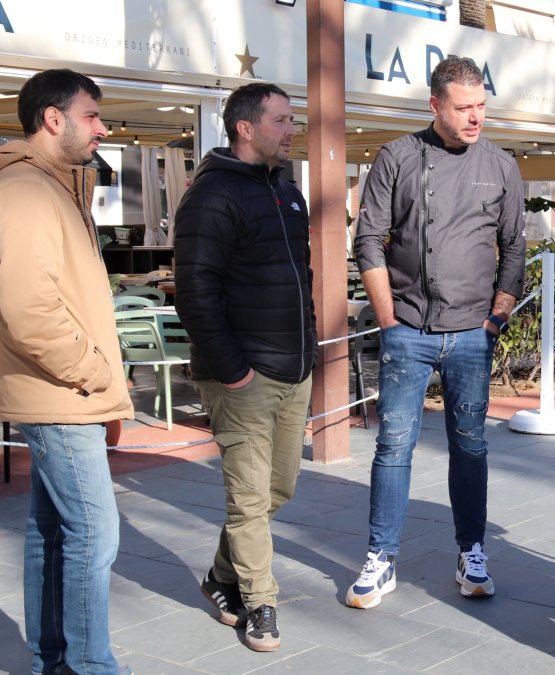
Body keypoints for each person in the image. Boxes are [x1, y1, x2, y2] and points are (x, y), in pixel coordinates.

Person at [0, 68, 134, 675]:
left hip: (65, 391)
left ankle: (54, 662)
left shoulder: (51, 186)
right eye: (92, 116)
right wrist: (95, 373)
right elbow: (31, 310)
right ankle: (88, 667)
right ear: (53, 119)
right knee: (94, 534)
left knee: (55, 532)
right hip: (61, 392)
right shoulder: (25, 190)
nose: (102, 128)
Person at [347, 56, 526, 609]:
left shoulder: (500, 165)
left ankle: (472, 550)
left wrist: (496, 319)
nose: (475, 117)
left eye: (481, 106)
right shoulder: (397, 158)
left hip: (473, 333)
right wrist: (388, 321)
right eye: (463, 108)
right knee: (392, 445)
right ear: (435, 106)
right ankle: (381, 557)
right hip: (409, 332)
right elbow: (369, 240)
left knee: (470, 449)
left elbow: (514, 249)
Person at [174, 83, 317, 652]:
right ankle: (261, 603)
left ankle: (220, 577)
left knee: (278, 488)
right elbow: (195, 292)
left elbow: (298, 280)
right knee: (249, 499)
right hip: (243, 379)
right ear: (245, 127)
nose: (291, 130)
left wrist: (307, 358)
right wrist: (234, 372)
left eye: (291, 120)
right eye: (281, 120)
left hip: (293, 370)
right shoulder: (210, 197)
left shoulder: (286, 191)